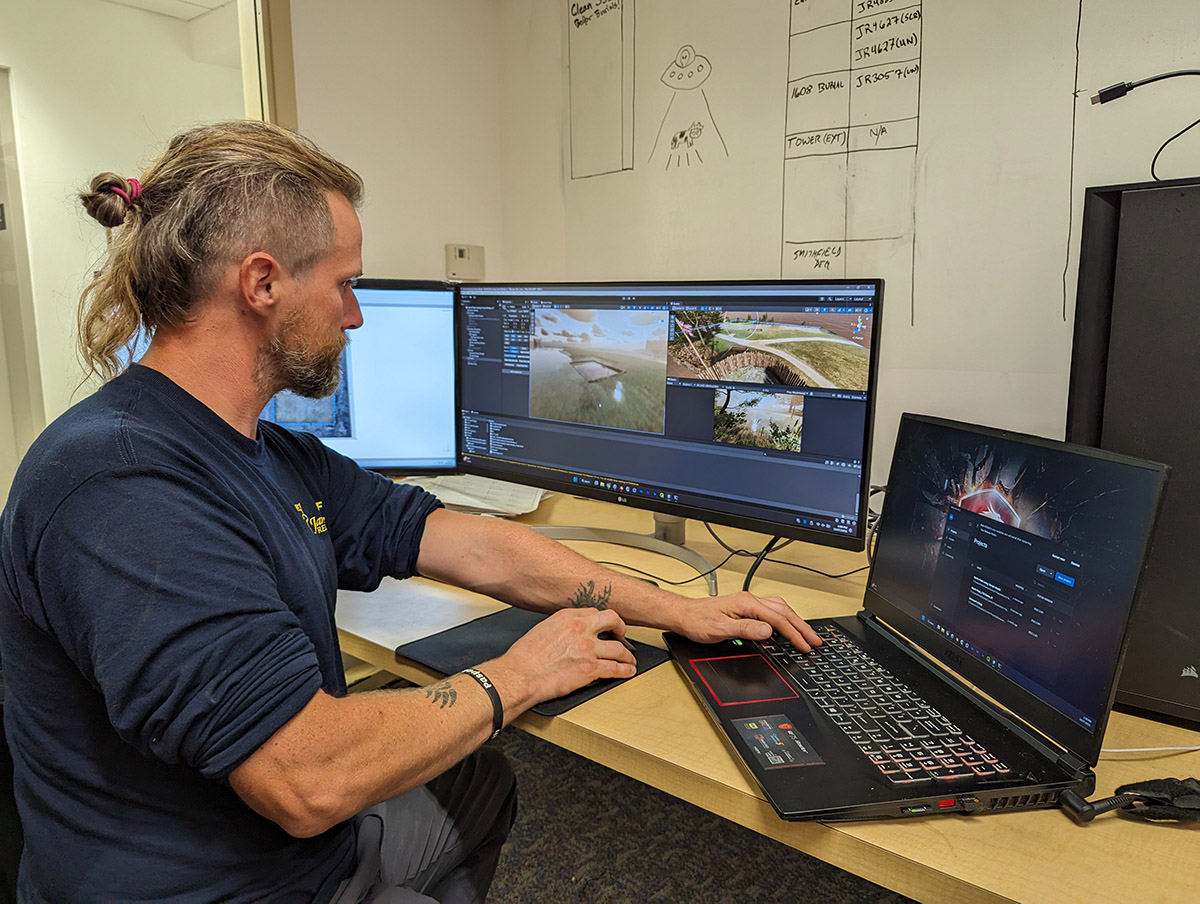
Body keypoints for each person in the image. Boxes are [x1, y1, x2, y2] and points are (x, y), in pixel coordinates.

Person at [0, 120, 820, 903]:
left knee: (477, 779)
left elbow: (474, 547)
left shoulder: (261, 450)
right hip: (227, 886)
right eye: (346, 285)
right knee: (461, 755)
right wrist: (520, 675)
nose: (355, 316)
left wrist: (678, 609)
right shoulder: (121, 485)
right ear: (261, 283)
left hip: (292, 851)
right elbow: (307, 778)